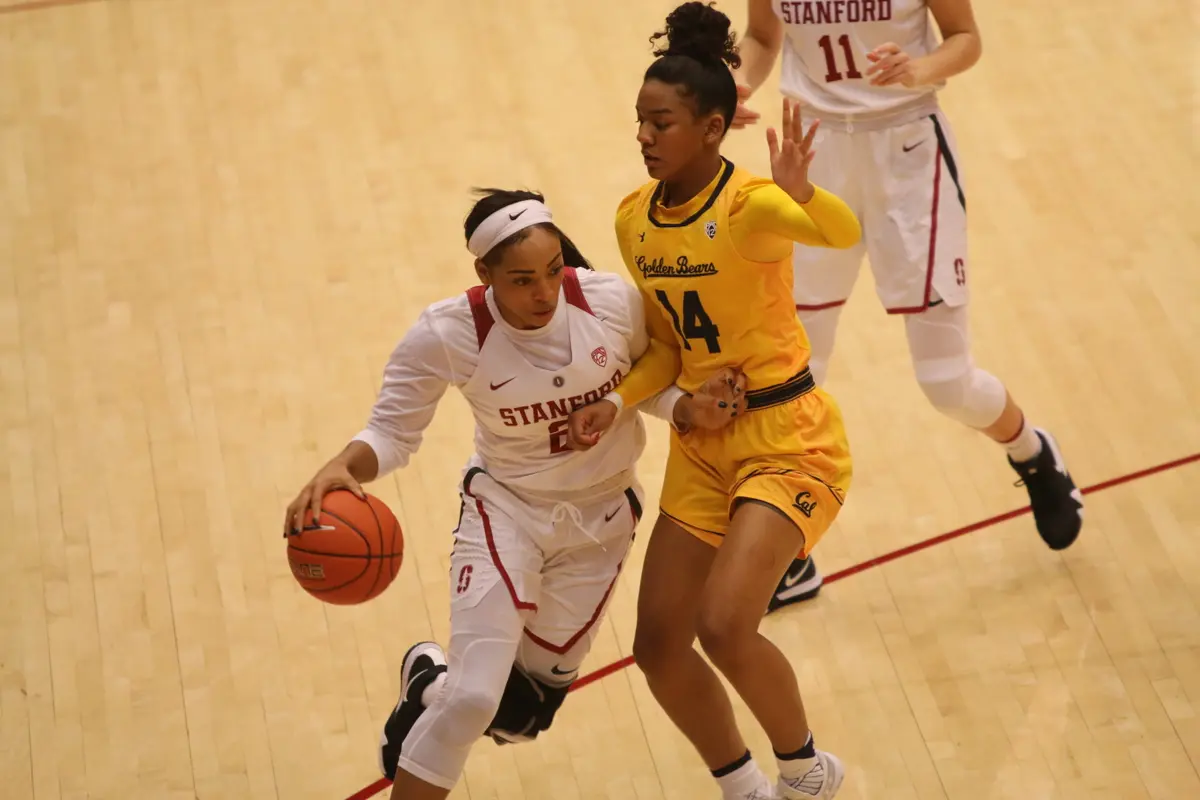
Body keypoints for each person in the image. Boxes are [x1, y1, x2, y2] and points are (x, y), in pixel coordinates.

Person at [282, 188, 744, 799]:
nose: (545, 293)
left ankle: (426, 685)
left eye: (553, 271)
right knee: (473, 699)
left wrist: (686, 407)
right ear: (485, 274)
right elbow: (392, 431)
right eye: (523, 281)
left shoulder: (609, 302)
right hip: (507, 512)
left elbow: (651, 383)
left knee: (520, 716)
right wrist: (342, 465)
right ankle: (446, 699)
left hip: (600, 523)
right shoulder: (449, 332)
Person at [567, 4, 860, 797]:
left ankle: (806, 771)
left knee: (725, 625)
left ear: (712, 128)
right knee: (659, 645)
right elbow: (668, 346)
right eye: (639, 120)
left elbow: (840, 232)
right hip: (702, 447)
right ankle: (743, 787)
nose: (643, 136)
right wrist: (617, 403)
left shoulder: (750, 207)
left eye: (660, 122)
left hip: (787, 438)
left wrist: (804, 193)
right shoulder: (634, 220)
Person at [731, 0, 1085, 611]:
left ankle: (1031, 451)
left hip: (908, 153)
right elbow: (763, 37)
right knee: (795, 372)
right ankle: (792, 552)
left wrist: (920, 68)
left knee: (946, 382)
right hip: (813, 154)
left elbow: (965, 37)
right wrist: (738, 81)